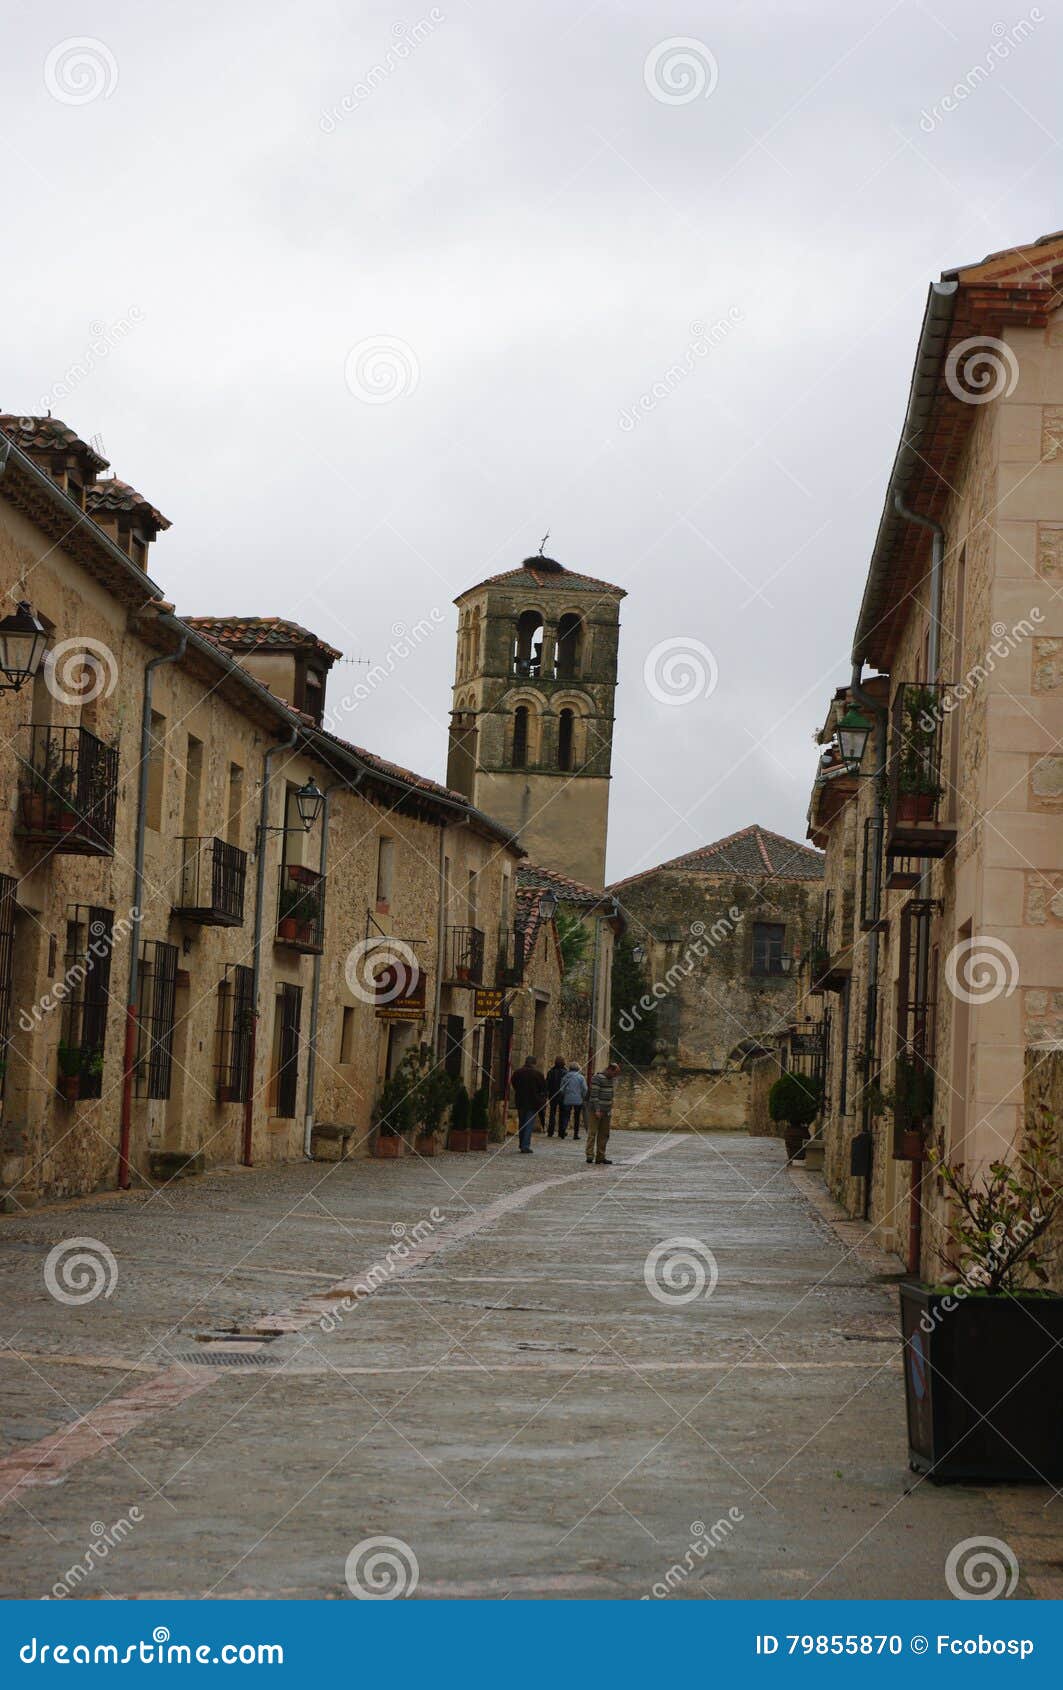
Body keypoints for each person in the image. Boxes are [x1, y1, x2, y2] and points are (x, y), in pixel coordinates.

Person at [510, 1054, 547, 1154]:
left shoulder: (517, 1073)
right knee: (529, 1124)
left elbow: (513, 1083)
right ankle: (525, 1145)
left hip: (521, 1101)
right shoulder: (537, 1074)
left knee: (522, 1123)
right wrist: (541, 1098)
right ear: (534, 1064)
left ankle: (522, 1143)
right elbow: (543, 1088)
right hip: (533, 1102)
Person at [586, 1062, 620, 1165]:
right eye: (614, 1073)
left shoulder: (611, 1080)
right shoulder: (597, 1078)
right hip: (596, 1110)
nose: (615, 1076)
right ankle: (589, 1155)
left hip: (606, 1111)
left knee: (604, 1134)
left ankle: (600, 1156)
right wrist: (597, 1109)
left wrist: (609, 1109)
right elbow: (594, 1095)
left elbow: (610, 1095)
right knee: (592, 1133)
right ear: (610, 1069)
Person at [558, 1062, 588, 1141]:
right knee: (577, 1117)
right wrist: (584, 1097)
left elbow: (561, 1089)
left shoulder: (565, 1077)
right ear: (578, 1068)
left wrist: (565, 1094)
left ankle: (563, 1131)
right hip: (578, 1099)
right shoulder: (581, 1077)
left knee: (566, 1116)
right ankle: (575, 1134)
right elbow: (584, 1089)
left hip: (567, 1099)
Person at [545, 1054, 567, 1136]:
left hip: (553, 1094)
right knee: (562, 1113)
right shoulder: (566, 1073)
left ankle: (550, 1131)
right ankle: (561, 1131)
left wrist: (547, 1093)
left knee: (552, 1113)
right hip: (563, 1096)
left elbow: (547, 1084)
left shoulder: (551, 1072)